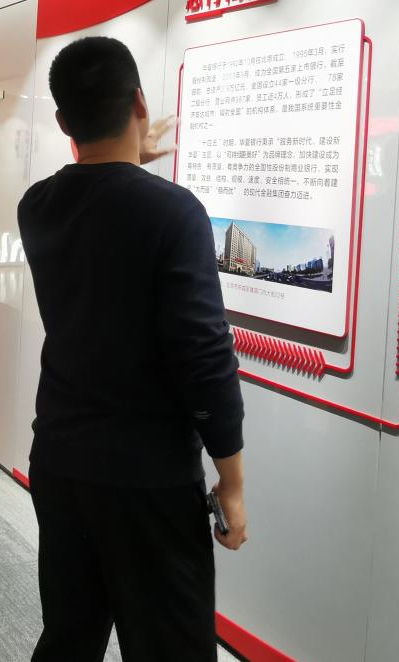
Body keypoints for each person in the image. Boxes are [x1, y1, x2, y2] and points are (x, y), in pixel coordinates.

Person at [17, 37, 249, 662]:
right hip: (146, 474)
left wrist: (127, 157)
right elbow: (203, 354)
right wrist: (231, 480)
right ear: (141, 104)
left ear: (62, 121)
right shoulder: (173, 212)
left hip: (60, 457)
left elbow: (99, 203)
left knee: (70, 634)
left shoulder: (37, 205)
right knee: (170, 646)